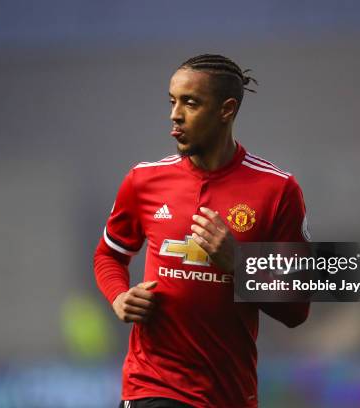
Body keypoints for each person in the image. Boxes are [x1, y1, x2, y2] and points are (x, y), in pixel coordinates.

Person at [93, 54, 310, 408]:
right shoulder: (143, 181)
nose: (175, 114)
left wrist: (239, 264)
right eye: (172, 101)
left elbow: (297, 309)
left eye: (190, 103)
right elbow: (109, 255)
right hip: (153, 386)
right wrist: (119, 295)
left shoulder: (277, 190)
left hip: (230, 394)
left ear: (226, 109)